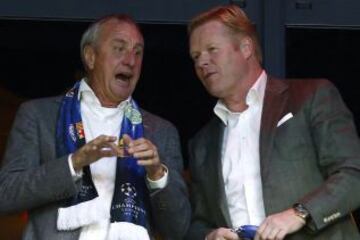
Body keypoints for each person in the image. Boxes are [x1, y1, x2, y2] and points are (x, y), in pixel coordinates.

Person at [0, 14, 190, 240]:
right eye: (119, 49)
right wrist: (73, 164)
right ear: (90, 57)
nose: (131, 60)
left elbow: (179, 229)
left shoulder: (161, 131)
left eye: (137, 52)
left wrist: (157, 175)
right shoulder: (39, 115)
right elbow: (6, 195)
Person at [186, 4, 360, 240]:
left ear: (246, 47)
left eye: (212, 49)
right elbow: (198, 223)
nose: (201, 62)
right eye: (196, 56)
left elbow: (353, 175)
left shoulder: (311, 97)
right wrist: (210, 235)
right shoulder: (202, 144)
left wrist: (300, 213)